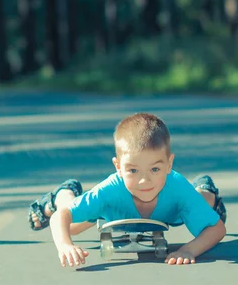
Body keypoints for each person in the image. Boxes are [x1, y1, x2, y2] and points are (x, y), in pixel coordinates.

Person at [28, 112, 227, 267]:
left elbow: (217, 229)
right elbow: (60, 217)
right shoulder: (109, 190)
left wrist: (189, 250)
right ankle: (64, 192)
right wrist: (65, 245)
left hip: (171, 209)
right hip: (116, 208)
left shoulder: (176, 187)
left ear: (169, 164)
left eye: (155, 169)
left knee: (204, 204)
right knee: (72, 227)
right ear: (118, 167)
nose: (144, 180)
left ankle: (204, 187)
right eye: (133, 170)